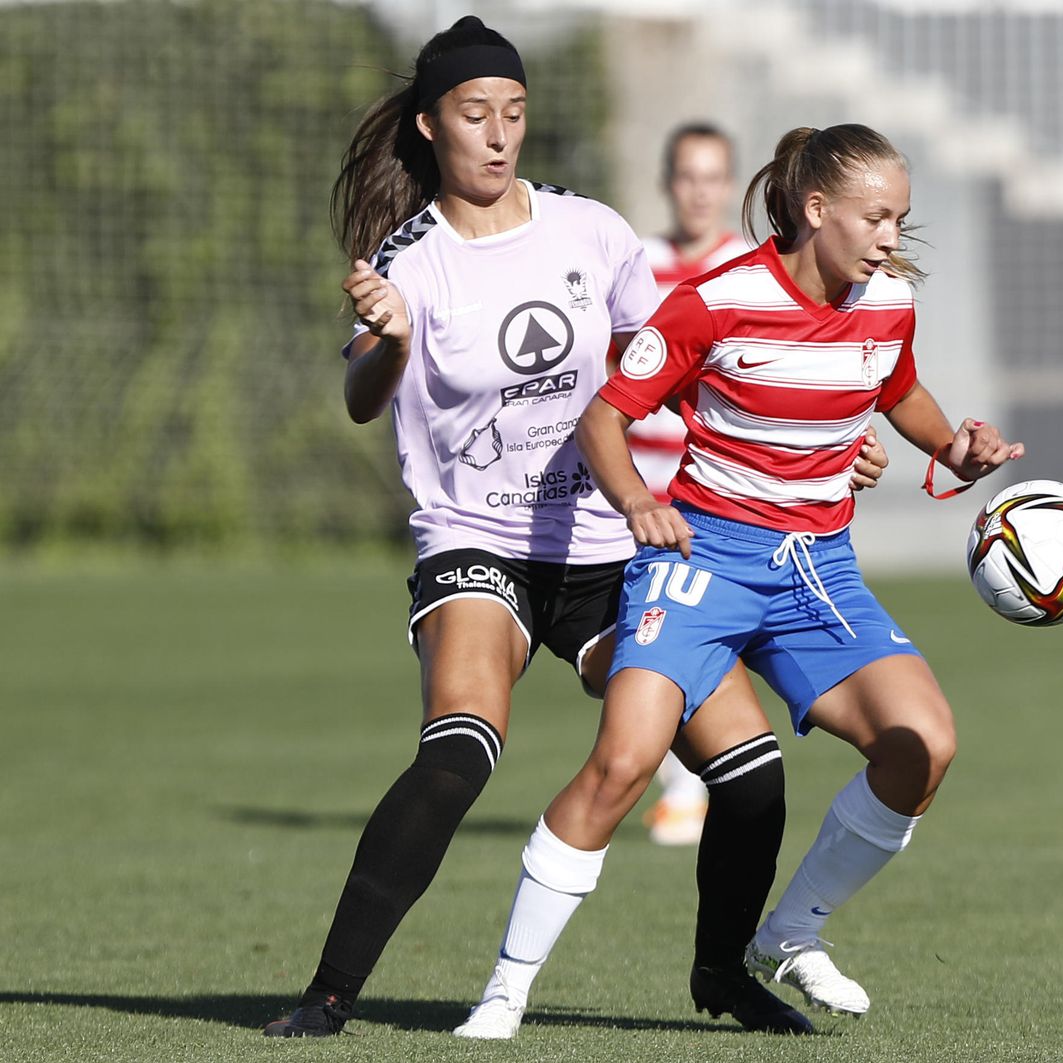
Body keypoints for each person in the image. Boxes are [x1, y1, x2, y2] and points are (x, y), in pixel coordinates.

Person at [262, 20, 885, 1039]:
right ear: (429, 127)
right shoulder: (408, 259)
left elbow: (675, 369)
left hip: (608, 550)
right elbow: (365, 400)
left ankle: (721, 975)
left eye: (513, 111)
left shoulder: (590, 231)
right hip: (478, 542)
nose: (499, 134)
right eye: (474, 115)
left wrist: (819, 446)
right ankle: (328, 995)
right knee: (460, 750)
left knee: (748, 762)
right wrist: (390, 338)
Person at [455, 122, 1024, 1028]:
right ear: (816, 208)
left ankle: (790, 933)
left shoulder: (889, 303)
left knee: (924, 744)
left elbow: (896, 388)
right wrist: (640, 501)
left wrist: (953, 444)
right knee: (624, 762)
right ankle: (505, 991)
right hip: (702, 561)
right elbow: (605, 418)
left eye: (900, 219)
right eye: (876, 217)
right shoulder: (715, 301)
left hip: (816, 569)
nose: (890, 237)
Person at [631, 122, 756, 847]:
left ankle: (690, 786)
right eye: (687, 175)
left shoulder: (750, 269)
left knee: (700, 637)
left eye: (713, 176)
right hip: (634, 493)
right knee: (643, 639)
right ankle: (680, 778)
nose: (700, 190)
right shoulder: (637, 264)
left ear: (730, 184)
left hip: (717, 489)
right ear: (668, 181)